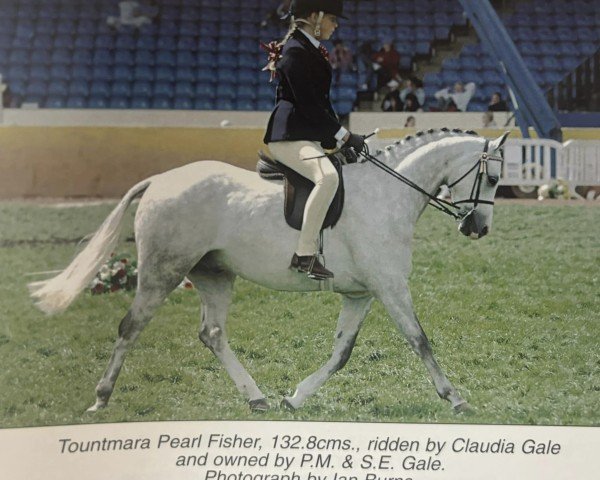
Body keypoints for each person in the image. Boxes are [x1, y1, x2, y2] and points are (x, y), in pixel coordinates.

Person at [263, 0, 365, 281]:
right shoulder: (295, 51)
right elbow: (307, 104)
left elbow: (321, 104)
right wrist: (343, 134)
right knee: (327, 178)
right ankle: (305, 254)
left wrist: (340, 140)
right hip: (289, 136)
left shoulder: (309, 49)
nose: (336, 25)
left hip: (305, 133)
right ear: (314, 17)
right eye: (332, 19)